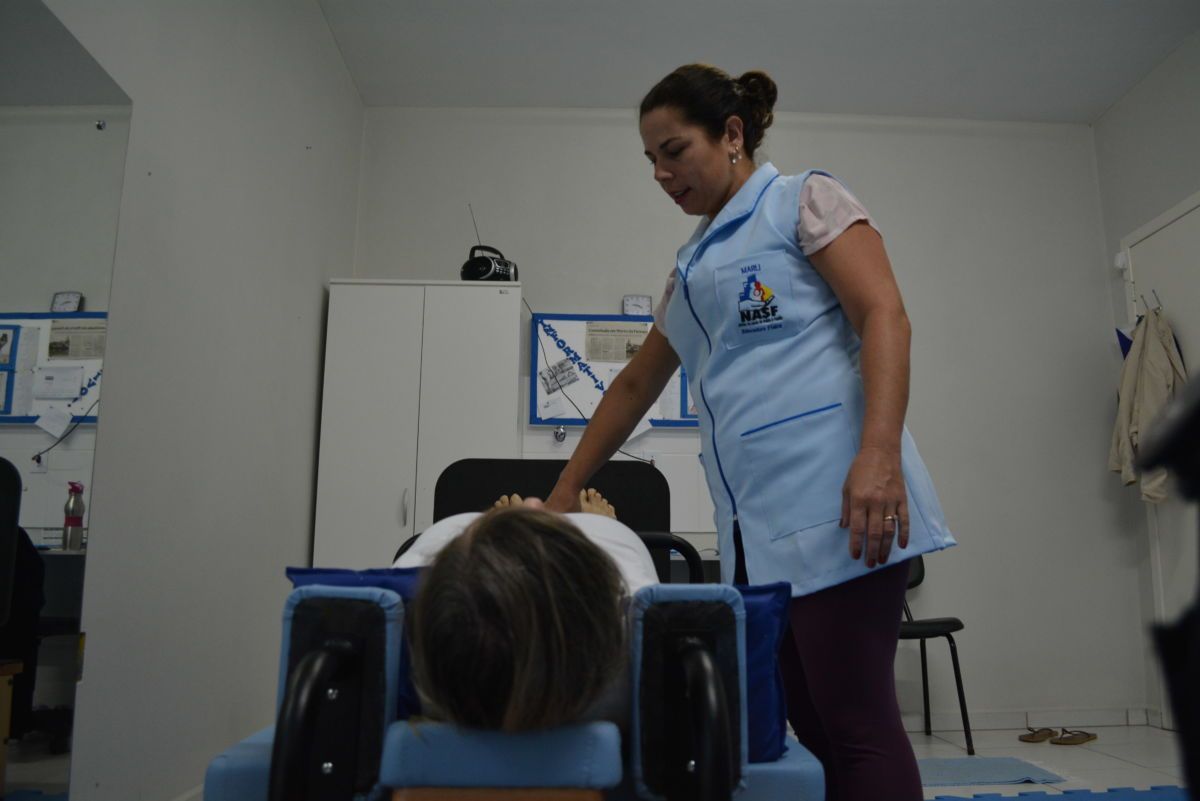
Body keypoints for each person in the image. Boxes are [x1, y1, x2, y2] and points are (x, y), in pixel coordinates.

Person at [543, 64, 957, 801]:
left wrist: (879, 454)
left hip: (843, 510)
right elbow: (637, 383)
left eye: (675, 150)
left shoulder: (802, 202)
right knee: (811, 726)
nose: (663, 174)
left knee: (859, 726)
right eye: (651, 161)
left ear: (732, 134)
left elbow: (884, 314)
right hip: (757, 537)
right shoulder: (692, 266)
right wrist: (568, 484)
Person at [401, 491, 658, 732]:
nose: (535, 503)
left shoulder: (407, 652)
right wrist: (597, 525)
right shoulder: (637, 651)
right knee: (606, 540)